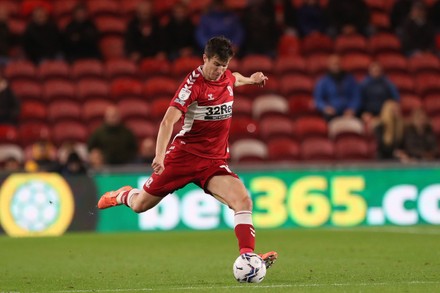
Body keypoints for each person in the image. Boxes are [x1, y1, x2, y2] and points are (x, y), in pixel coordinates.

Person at [97, 36, 278, 269]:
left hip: (214, 161)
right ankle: (123, 195)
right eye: (215, 64)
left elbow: (235, 79)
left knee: (243, 200)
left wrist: (252, 80)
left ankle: (248, 257)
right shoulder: (193, 85)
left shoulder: (227, 76)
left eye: (223, 65)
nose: (219, 70)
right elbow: (167, 121)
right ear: (204, 59)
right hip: (183, 157)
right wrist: (159, 156)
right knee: (141, 205)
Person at [313, 54, 361, 121]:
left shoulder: (350, 79)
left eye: (338, 64)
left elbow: (356, 96)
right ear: (329, 65)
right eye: (333, 64)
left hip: (348, 111)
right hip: (332, 112)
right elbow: (318, 98)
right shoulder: (323, 81)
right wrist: (325, 108)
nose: (336, 66)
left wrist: (352, 108)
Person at [360, 61, 400, 127]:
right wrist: (364, 113)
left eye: (378, 70)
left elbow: (396, 98)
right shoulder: (364, 84)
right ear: (370, 71)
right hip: (370, 113)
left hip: (385, 113)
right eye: (374, 70)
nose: (376, 72)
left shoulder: (387, 83)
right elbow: (360, 100)